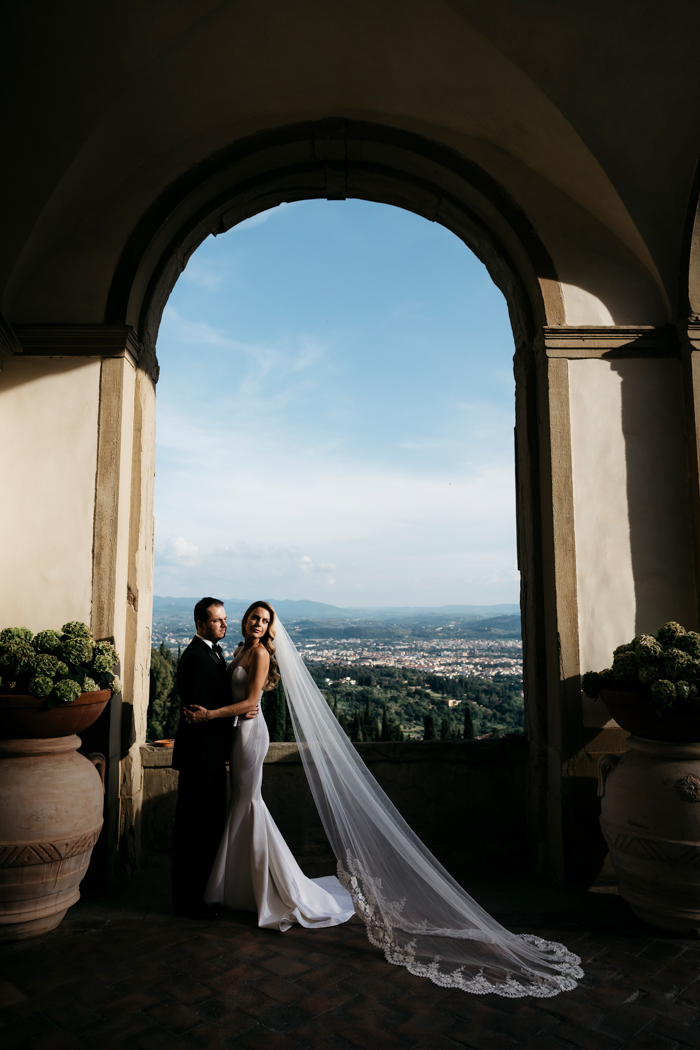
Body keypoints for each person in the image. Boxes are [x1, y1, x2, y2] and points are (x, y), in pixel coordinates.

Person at [185, 601, 354, 930]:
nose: (258, 624)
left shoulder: (260, 654)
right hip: (237, 733)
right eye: (254, 617)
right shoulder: (240, 649)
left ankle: (262, 885)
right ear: (246, 619)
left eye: (265, 620)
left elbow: (250, 702)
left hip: (249, 734)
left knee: (249, 801)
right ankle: (240, 884)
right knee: (242, 802)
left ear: (269, 627)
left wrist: (208, 715)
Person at [171, 597, 258, 919]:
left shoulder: (213, 652)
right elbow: (197, 714)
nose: (224, 624)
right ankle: (189, 902)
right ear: (200, 624)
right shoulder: (196, 657)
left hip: (209, 757)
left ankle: (202, 896)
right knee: (194, 832)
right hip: (198, 759)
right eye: (217, 620)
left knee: (207, 830)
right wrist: (236, 717)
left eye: (224, 619)